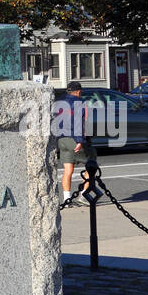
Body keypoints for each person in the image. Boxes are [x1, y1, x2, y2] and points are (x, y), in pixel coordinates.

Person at [58, 80, 96, 209]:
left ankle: (67, 199)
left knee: (68, 170)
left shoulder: (60, 103)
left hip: (61, 139)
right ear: (78, 91)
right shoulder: (79, 103)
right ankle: (83, 196)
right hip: (74, 138)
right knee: (91, 163)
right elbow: (79, 123)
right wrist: (80, 140)